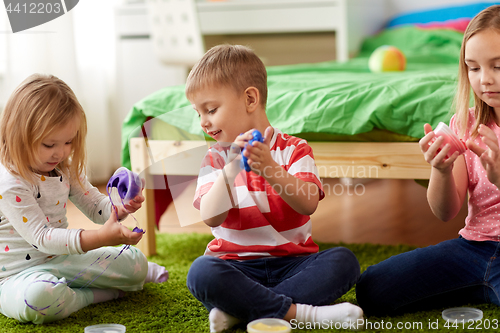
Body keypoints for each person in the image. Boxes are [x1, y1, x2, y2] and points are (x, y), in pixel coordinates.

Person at [184, 45, 363, 332]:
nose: (203, 122)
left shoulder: (295, 149)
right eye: (198, 113)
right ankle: (304, 314)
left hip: (294, 264)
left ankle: (240, 312)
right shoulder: (215, 158)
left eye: (211, 109)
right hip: (234, 266)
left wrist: (270, 168)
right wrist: (231, 170)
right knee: (201, 272)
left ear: (250, 99)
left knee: (344, 261)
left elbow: (307, 204)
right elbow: (210, 217)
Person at [356, 5, 500, 316]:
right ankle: (479, 283)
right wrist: (441, 169)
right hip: (474, 248)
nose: (485, 80)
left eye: (497, 66)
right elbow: (445, 212)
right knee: (372, 289)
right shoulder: (466, 124)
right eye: (473, 68)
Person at [0, 74, 168, 324]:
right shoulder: (10, 183)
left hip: (62, 260)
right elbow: (43, 238)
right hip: (16, 277)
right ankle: (94, 295)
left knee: (136, 264)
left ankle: (74, 290)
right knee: (38, 298)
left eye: (68, 141)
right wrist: (101, 239)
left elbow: (95, 207)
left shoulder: (65, 168)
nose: (61, 152)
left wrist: (119, 207)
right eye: (49, 144)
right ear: (18, 135)